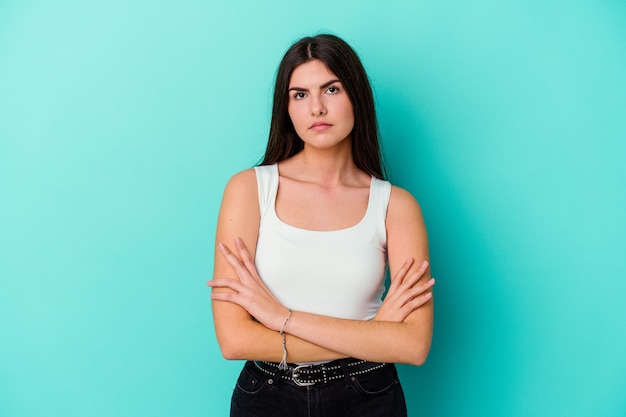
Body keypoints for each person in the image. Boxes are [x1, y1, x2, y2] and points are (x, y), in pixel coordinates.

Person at [207, 33, 435, 417]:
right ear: (287, 108)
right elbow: (233, 339)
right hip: (267, 394)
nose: (316, 108)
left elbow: (413, 345)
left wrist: (282, 319)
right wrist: (376, 334)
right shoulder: (249, 190)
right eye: (300, 94)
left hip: (368, 396)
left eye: (331, 89)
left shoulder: (396, 205)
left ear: (356, 97)